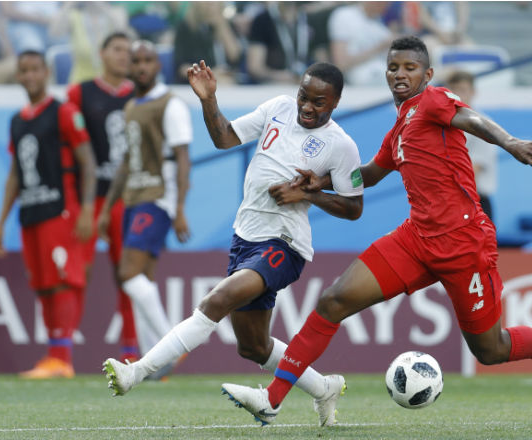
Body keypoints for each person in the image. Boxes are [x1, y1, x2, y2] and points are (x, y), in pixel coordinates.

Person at [221, 36, 532, 425]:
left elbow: (470, 118)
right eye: (393, 67)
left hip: (464, 244)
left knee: (490, 350)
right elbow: (370, 174)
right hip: (416, 240)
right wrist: (320, 182)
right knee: (333, 301)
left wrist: (509, 142)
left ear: (428, 74)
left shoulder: (433, 101)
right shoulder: (399, 130)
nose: (400, 74)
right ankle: (271, 399)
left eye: (410, 68)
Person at [103, 60, 364, 427]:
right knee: (253, 346)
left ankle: (137, 371)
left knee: (216, 300)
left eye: (318, 102)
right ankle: (324, 388)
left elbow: (354, 207)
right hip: (245, 237)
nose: (306, 106)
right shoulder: (278, 107)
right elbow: (224, 138)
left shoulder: (341, 145)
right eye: (303, 96)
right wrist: (209, 99)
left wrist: (307, 195)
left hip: (284, 244)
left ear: (335, 102)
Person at [0, 50, 96, 378]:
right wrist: (1, 221)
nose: (30, 76)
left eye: (35, 69)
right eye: (24, 70)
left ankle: (61, 358)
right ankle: (54, 357)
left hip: (61, 209)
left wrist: (87, 209)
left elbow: (88, 162)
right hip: (31, 212)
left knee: (63, 280)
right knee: (43, 284)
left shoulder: (64, 112)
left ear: (46, 72)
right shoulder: (17, 120)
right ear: (18, 76)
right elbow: (15, 174)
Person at [96, 40, 193, 368]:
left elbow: (182, 157)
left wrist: (179, 208)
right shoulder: (131, 106)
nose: (140, 67)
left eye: (147, 60)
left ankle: (170, 344)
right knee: (143, 280)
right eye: (135, 61)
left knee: (128, 274)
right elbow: (127, 162)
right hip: (134, 197)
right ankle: (156, 362)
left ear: (158, 65)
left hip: (157, 196)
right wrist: (108, 208)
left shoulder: (170, 104)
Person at [66, 32, 138, 363]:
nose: (124, 56)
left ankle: (132, 351)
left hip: (128, 199)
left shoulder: (140, 94)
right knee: (77, 271)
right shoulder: (79, 93)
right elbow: (69, 149)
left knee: (128, 276)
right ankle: (62, 352)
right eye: (117, 49)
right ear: (102, 53)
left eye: (128, 51)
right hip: (90, 200)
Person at [445, 70, 496, 221]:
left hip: (473, 202)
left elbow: (473, 171)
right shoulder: (443, 125)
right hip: (448, 201)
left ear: (473, 92)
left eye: (462, 90)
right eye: (453, 90)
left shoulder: (482, 125)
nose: (457, 95)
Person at [327, 2, 396, 85]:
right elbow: (341, 64)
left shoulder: (381, 28)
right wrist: (380, 47)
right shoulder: (344, 16)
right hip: (361, 83)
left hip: (384, 79)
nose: (386, 5)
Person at [173, 2, 241, 85]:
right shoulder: (186, 27)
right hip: (197, 82)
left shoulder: (226, 24)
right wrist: (208, 73)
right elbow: (182, 68)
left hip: (226, 79)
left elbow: (234, 56)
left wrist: (221, 25)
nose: (210, 3)